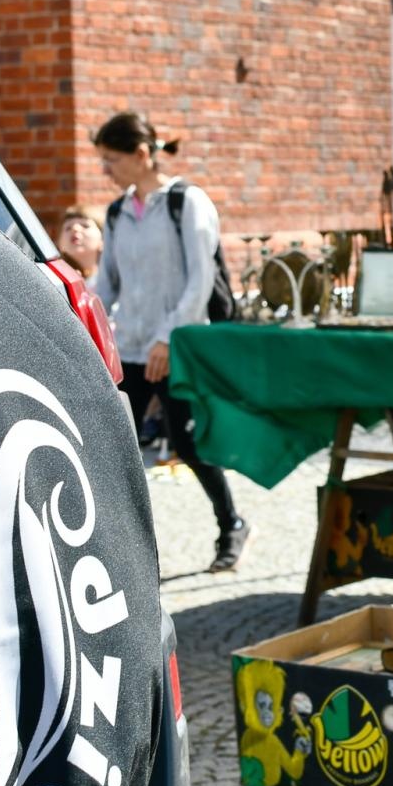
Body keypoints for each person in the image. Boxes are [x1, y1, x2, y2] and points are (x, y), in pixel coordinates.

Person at [95, 111, 253, 569]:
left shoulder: (188, 203)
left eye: (112, 159)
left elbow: (200, 280)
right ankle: (118, 551)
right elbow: (108, 284)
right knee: (114, 444)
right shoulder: (117, 212)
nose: (106, 170)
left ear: (142, 154)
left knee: (189, 446)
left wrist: (167, 338)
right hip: (131, 348)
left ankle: (232, 525)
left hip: (178, 348)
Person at [57, 206, 104, 285]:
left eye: (85, 226)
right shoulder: (55, 280)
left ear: (103, 239)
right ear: (59, 244)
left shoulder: (114, 280)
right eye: (68, 228)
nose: (75, 228)